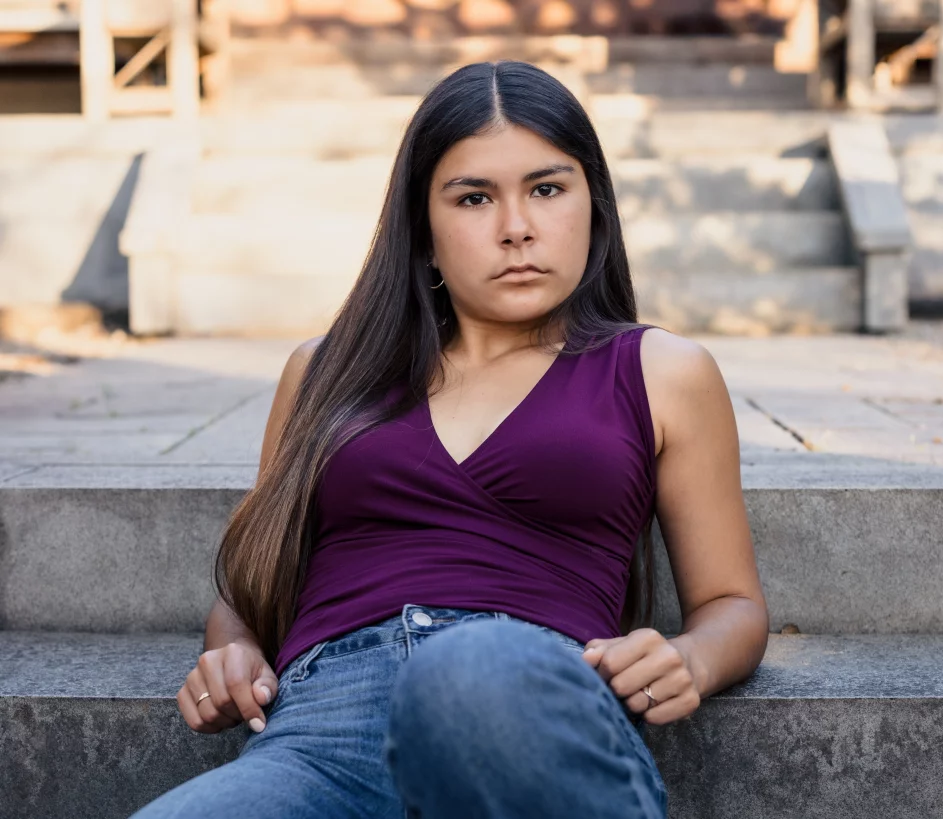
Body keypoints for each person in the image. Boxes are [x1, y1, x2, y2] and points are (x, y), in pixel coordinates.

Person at [129, 59, 768, 819]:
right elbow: (255, 583)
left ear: (593, 206)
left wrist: (690, 656)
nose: (517, 227)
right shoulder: (323, 372)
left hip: (522, 705)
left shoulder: (662, 370)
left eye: (547, 188)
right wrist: (230, 648)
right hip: (322, 734)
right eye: (473, 198)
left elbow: (733, 602)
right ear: (424, 231)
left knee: (468, 665)